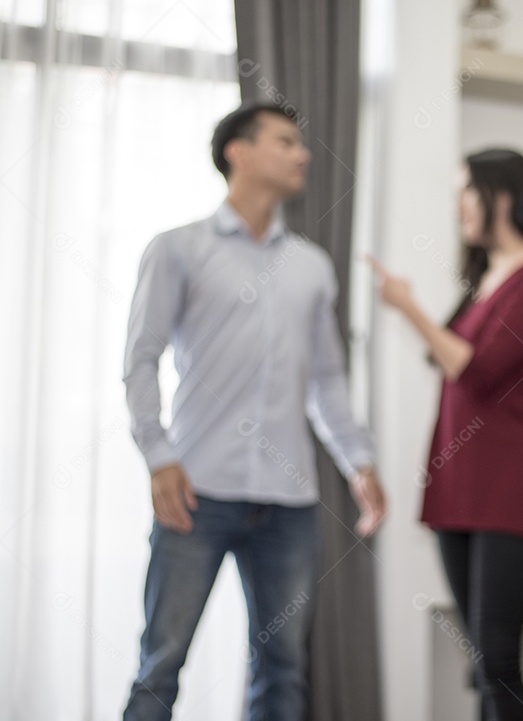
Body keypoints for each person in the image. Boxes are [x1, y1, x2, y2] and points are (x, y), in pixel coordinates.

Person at [122, 102, 387, 721]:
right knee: (161, 661)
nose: (302, 154)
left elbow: (326, 378)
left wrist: (359, 461)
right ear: (237, 152)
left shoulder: (313, 267)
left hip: (289, 503)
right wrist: (158, 456)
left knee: (282, 670)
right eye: (285, 142)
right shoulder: (177, 249)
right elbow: (141, 359)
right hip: (195, 493)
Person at [369, 148, 523, 721]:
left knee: (497, 660)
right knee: (482, 663)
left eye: (467, 191)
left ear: (502, 198)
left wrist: (408, 308)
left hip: (508, 488)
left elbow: (475, 368)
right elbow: (453, 364)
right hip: (458, 485)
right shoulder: (482, 279)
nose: (458, 205)